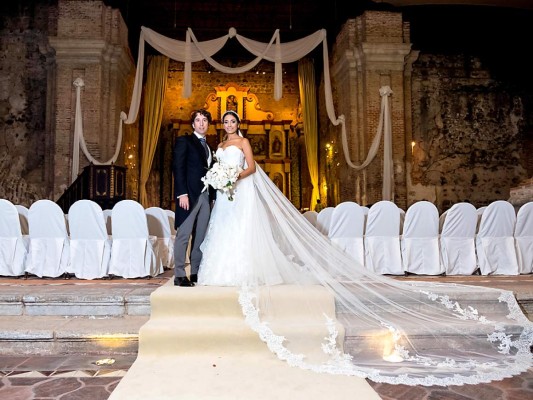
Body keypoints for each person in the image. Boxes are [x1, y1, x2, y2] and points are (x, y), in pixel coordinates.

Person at [197, 111, 533, 386]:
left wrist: (234, 177)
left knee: (244, 230)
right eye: (225, 123)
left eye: (231, 122)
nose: (228, 126)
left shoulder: (242, 142)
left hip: (241, 191)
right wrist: (220, 178)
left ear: (237, 124)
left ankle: (248, 268)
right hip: (228, 197)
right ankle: (223, 270)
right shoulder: (220, 143)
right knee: (225, 229)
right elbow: (218, 168)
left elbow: (252, 168)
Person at [172, 108, 215, 287]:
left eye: (204, 120)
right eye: (198, 120)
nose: (201, 123)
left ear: (208, 124)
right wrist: (181, 193)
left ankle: (195, 271)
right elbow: (178, 167)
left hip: (205, 196)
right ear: (193, 124)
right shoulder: (185, 141)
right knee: (184, 234)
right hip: (188, 195)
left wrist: (212, 196)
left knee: (201, 236)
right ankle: (180, 274)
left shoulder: (210, 146)